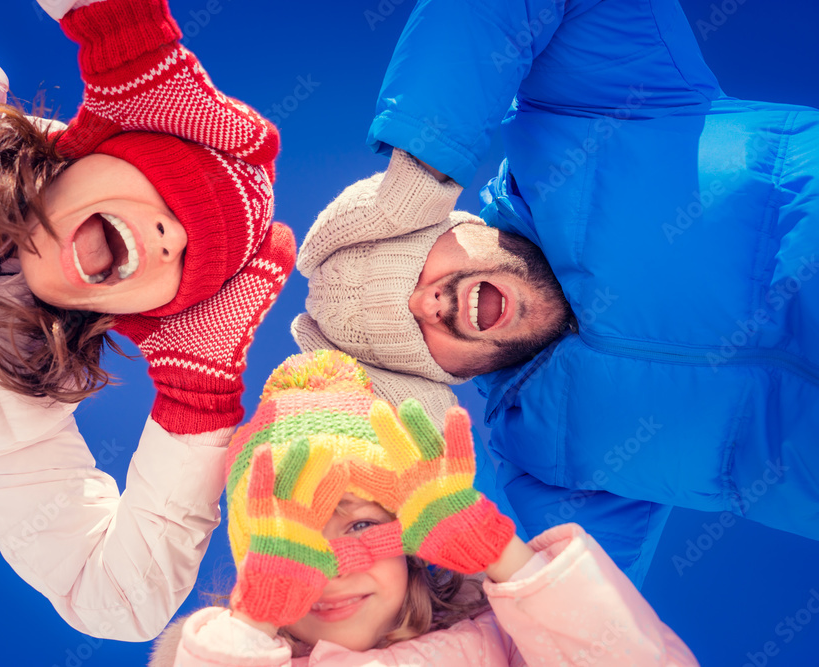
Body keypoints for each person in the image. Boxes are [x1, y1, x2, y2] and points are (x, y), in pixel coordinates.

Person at [291, 0, 819, 587]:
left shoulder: (581, 120)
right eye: (407, 339)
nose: (425, 304)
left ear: (454, 221)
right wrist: (433, 444)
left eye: (411, 268)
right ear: (440, 376)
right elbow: (566, 611)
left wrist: (422, 162)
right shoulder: (546, 465)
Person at [0, 0, 293, 640]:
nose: (167, 239)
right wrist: (121, 27)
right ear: (100, 151)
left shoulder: (10, 427)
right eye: (170, 190)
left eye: (186, 265)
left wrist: (198, 392)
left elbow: (120, 602)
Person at [150, 350, 698, 665]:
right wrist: (251, 622)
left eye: (362, 523)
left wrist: (501, 554)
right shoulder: (223, 655)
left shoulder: (512, 645)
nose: (335, 564)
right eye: (298, 540)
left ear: (411, 541)